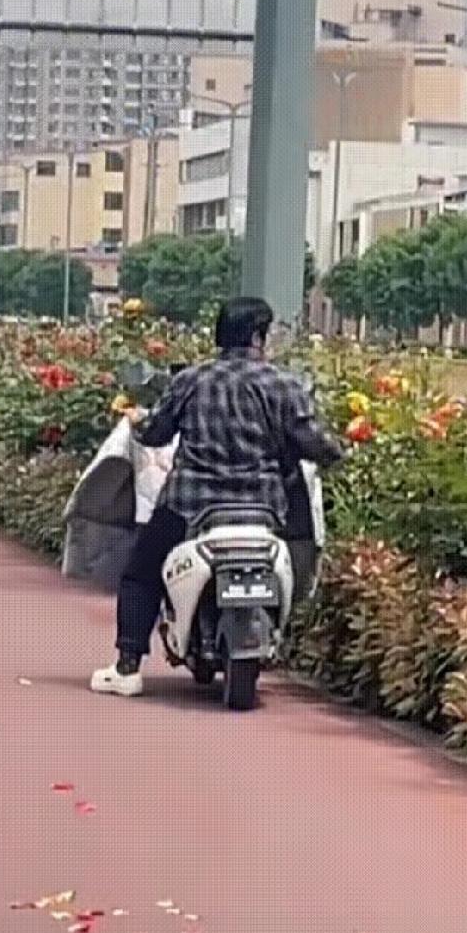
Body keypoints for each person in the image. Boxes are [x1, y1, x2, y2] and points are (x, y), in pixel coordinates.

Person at [91, 296, 344, 697]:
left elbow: (157, 433)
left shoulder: (191, 380)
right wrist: (336, 452)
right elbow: (317, 444)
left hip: (190, 505)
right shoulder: (283, 385)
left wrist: (136, 421)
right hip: (263, 509)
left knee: (141, 574)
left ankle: (127, 666)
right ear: (259, 336)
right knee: (304, 556)